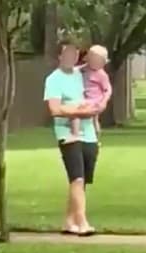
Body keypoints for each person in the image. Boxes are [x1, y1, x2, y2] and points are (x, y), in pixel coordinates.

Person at [43, 42, 102, 236]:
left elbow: (97, 63)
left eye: (74, 54)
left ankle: (69, 221)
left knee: (81, 180)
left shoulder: (81, 74)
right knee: (76, 178)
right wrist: (78, 111)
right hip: (68, 134)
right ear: (59, 57)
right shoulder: (53, 79)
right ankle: (82, 223)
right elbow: (54, 109)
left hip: (89, 134)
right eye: (66, 54)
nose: (71, 57)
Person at [70, 45, 112, 142]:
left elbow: (107, 89)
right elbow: (74, 71)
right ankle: (80, 137)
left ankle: (81, 137)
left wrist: (104, 102)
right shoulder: (83, 69)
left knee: (81, 115)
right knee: (88, 119)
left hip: (95, 101)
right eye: (92, 59)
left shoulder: (101, 75)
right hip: (84, 98)